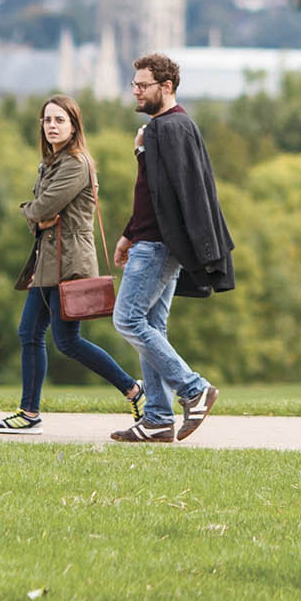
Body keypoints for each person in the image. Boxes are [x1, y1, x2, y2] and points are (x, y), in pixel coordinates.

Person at [0, 94, 144, 435]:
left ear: (74, 126)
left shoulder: (75, 163)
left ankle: (133, 389)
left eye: (60, 120)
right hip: (47, 264)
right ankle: (29, 413)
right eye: (47, 120)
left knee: (67, 341)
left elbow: (43, 209)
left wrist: (32, 213)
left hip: (69, 263)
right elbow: (40, 213)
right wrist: (36, 215)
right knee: (29, 332)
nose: (52, 126)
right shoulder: (51, 163)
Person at [109, 52, 234, 444]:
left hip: (158, 245)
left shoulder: (168, 128)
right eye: (134, 84)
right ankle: (159, 419)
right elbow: (154, 193)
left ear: (167, 87)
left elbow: (181, 196)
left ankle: (194, 389)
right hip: (152, 241)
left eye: (143, 85)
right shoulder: (166, 129)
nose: (136, 91)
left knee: (127, 320)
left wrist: (148, 238)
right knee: (152, 326)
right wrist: (130, 233)